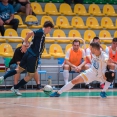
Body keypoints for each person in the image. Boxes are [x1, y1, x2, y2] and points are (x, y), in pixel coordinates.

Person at [0, 21, 54, 96]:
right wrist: (24, 43)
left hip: (28, 53)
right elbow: (29, 33)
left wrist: (25, 44)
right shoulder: (41, 32)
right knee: (30, 75)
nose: (50, 31)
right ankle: (15, 88)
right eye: (50, 29)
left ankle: (3, 77)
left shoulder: (40, 32)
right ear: (48, 28)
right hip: (33, 56)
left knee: (18, 70)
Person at [50, 42, 115, 97]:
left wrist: (109, 62)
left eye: (91, 48)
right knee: (74, 80)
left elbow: (107, 60)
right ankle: (58, 93)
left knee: (111, 75)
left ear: (95, 49)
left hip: (101, 74)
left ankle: (103, 92)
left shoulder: (104, 56)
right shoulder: (93, 52)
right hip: (91, 72)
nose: (90, 49)